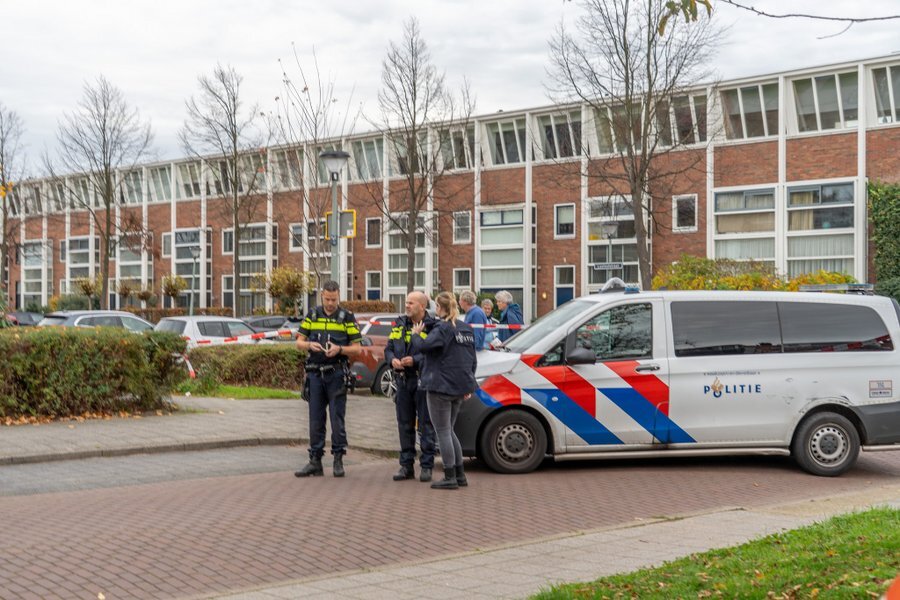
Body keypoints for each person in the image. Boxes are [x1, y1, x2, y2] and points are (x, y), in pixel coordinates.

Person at [294, 280, 362, 478]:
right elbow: (298, 341)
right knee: (315, 419)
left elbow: (357, 348)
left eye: (334, 299)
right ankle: (315, 460)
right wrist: (309, 346)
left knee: (337, 418)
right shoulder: (313, 314)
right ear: (321, 295)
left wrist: (340, 349)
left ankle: (338, 459)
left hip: (336, 373)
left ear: (338, 296)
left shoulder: (347, 317)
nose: (331, 303)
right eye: (327, 298)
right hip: (315, 374)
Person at [410, 291, 477, 490]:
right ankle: (460, 475)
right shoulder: (465, 329)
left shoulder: (443, 329)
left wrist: (416, 335)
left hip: (440, 386)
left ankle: (449, 476)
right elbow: (473, 360)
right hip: (461, 386)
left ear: (439, 308)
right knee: (450, 430)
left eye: (436, 307)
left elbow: (424, 346)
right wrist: (468, 384)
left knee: (442, 432)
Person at [384, 291, 437, 482]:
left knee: (425, 425)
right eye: (406, 302)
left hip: (422, 381)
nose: (406, 306)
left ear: (422, 307)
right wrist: (393, 360)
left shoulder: (432, 326)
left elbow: (434, 352)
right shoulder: (399, 324)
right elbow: (388, 348)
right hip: (403, 380)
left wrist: (414, 360)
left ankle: (426, 466)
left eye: (411, 303)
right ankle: (406, 466)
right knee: (404, 424)